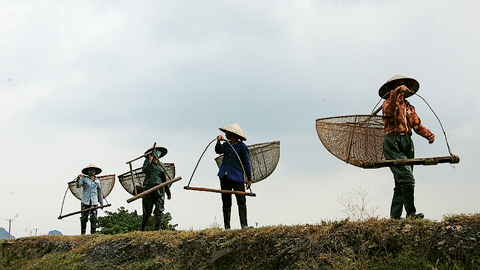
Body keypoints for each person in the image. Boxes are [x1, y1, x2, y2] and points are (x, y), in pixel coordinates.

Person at [379, 75, 435, 219]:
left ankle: (395, 217)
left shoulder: (410, 108)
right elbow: (391, 110)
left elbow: (417, 125)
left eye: (404, 85)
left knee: (401, 181)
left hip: (407, 143)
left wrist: (428, 134)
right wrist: (397, 94)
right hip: (393, 143)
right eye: (399, 86)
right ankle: (411, 213)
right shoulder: (387, 104)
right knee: (407, 178)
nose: (403, 88)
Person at [215, 122, 253, 229]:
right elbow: (218, 151)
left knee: (241, 200)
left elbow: (246, 163)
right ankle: (227, 226)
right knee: (226, 201)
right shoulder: (226, 145)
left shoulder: (242, 147)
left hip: (237, 176)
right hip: (224, 176)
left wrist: (249, 179)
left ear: (232, 134)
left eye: (227, 133)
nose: (226, 134)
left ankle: (244, 225)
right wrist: (218, 141)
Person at [141, 144, 171, 231]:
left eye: (159, 151)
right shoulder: (147, 162)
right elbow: (145, 171)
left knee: (159, 209)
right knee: (147, 211)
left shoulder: (162, 165)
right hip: (148, 189)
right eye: (156, 151)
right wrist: (150, 162)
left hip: (159, 189)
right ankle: (142, 228)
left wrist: (168, 192)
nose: (158, 153)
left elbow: (164, 180)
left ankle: (156, 229)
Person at [76, 163, 104, 234]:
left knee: (93, 217)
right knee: (84, 217)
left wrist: (101, 202)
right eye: (90, 170)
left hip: (94, 201)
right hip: (85, 201)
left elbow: (99, 192)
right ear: (88, 172)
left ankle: (93, 232)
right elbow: (78, 185)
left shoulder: (97, 181)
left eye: (93, 170)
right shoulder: (84, 179)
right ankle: (83, 232)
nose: (92, 172)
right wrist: (78, 178)